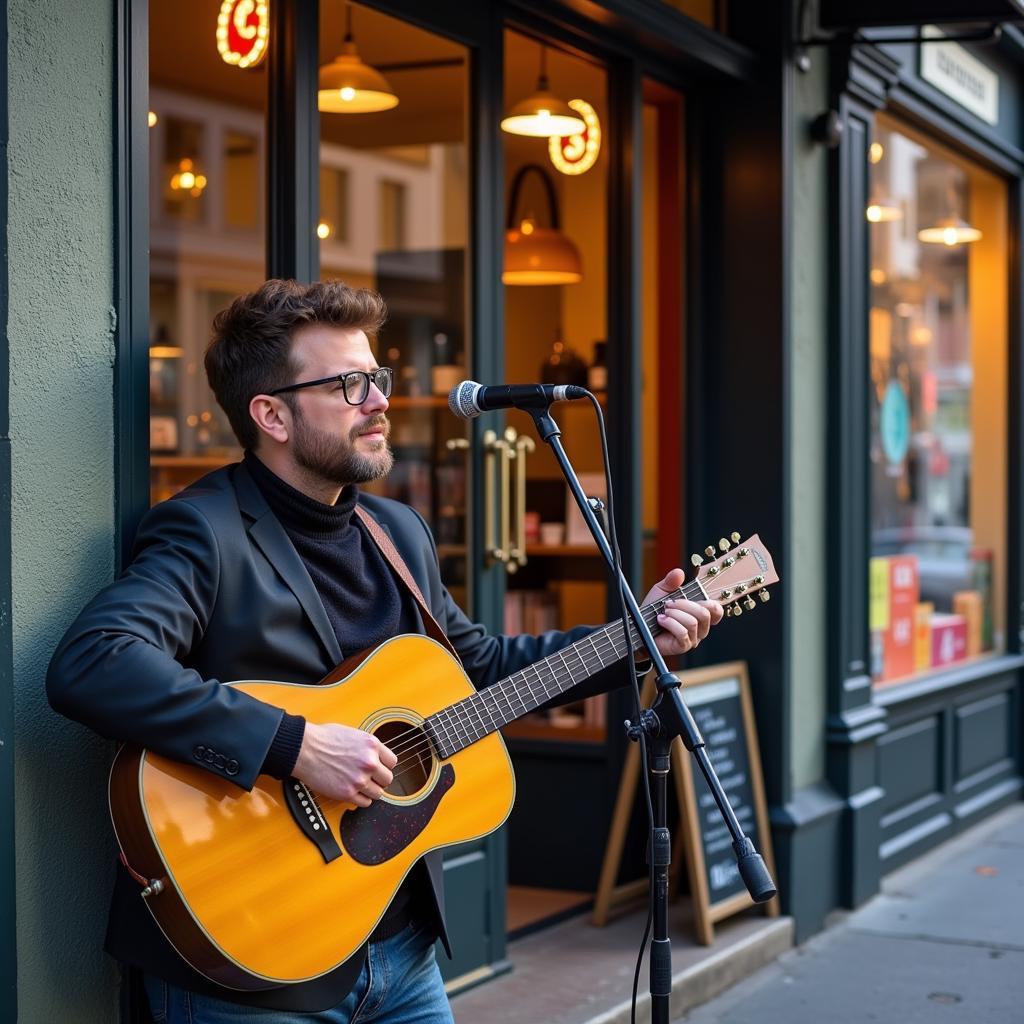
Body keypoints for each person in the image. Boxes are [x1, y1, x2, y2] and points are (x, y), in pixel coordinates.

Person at [46, 279, 723, 1023]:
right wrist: (296, 744)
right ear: (270, 414)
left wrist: (632, 641)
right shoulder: (204, 530)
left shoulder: (397, 532)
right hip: (255, 956)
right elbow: (95, 661)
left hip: (399, 949)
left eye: (378, 379)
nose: (379, 401)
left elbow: (482, 673)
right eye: (349, 384)